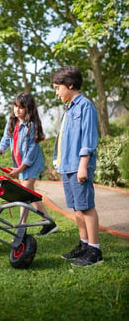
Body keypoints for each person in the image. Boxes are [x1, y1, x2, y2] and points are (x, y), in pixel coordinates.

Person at [51, 65, 103, 267]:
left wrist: (83, 166)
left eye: (58, 88)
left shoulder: (85, 106)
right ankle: (83, 244)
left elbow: (88, 139)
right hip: (68, 166)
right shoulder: (69, 107)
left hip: (79, 166)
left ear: (70, 85)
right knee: (77, 208)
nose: (56, 92)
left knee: (86, 207)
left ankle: (95, 250)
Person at [0, 92, 58, 235]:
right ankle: (50, 223)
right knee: (30, 196)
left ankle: (21, 228)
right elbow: (4, 142)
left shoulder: (31, 126)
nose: (17, 110)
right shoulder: (11, 122)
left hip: (31, 165)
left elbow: (31, 151)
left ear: (28, 108)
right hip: (20, 166)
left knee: (23, 196)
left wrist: (19, 169)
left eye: (21, 107)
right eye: (15, 106)